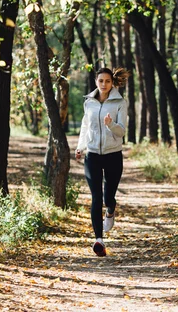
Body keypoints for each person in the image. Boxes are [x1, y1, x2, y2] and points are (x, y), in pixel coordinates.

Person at [75, 67, 130, 257]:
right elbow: (85, 126)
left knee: (108, 198)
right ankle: (99, 240)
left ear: (112, 83)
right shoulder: (89, 102)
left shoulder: (120, 102)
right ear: (96, 81)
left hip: (113, 154)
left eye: (107, 81)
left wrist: (111, 125)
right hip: (92, 155)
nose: (104, 84)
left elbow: (122, 131)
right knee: (96, 197)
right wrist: (80, 147)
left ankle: (111, 211)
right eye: (101, 81)